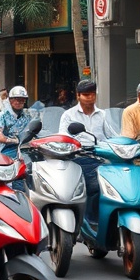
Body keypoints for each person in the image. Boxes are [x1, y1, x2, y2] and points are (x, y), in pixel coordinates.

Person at [59, 79, 111, 223]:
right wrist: (76, 147)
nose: (90, 98)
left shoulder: (103, 114)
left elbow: (112, 136)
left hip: (101, 157)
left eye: (92, 94)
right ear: (78, 96)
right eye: (86, 95)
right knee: (94, 186)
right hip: (79, 158)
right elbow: (64, 138)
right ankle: (89, 221)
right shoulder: (69, 115)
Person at [0, 85, 31, 192]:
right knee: (10, 183)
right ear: (10, 100)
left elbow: (34, 129)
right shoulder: (3, 115)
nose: (19, 102)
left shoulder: (27, 115)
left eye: (22, 100)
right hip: (7, 151)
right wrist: (12, 140)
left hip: (24, 150)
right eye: (16, 99)